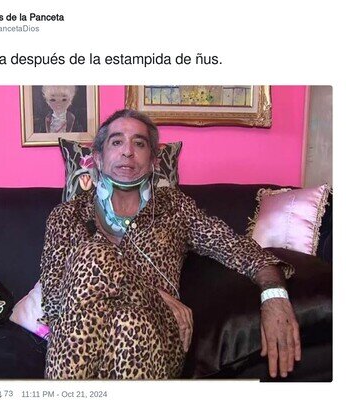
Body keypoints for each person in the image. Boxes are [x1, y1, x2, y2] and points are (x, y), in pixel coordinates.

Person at [40, 109, 301, 380]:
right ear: (98, 157)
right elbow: (56, 301)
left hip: (159, 335)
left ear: (153, 160)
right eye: (116, 142)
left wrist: (275, 296)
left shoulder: (176, 208)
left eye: (139, 143)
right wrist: (151, 291)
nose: (128, 151)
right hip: (83, 340)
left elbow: (237, 248)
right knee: (126, 319)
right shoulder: (66, 216)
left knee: (118, 295)